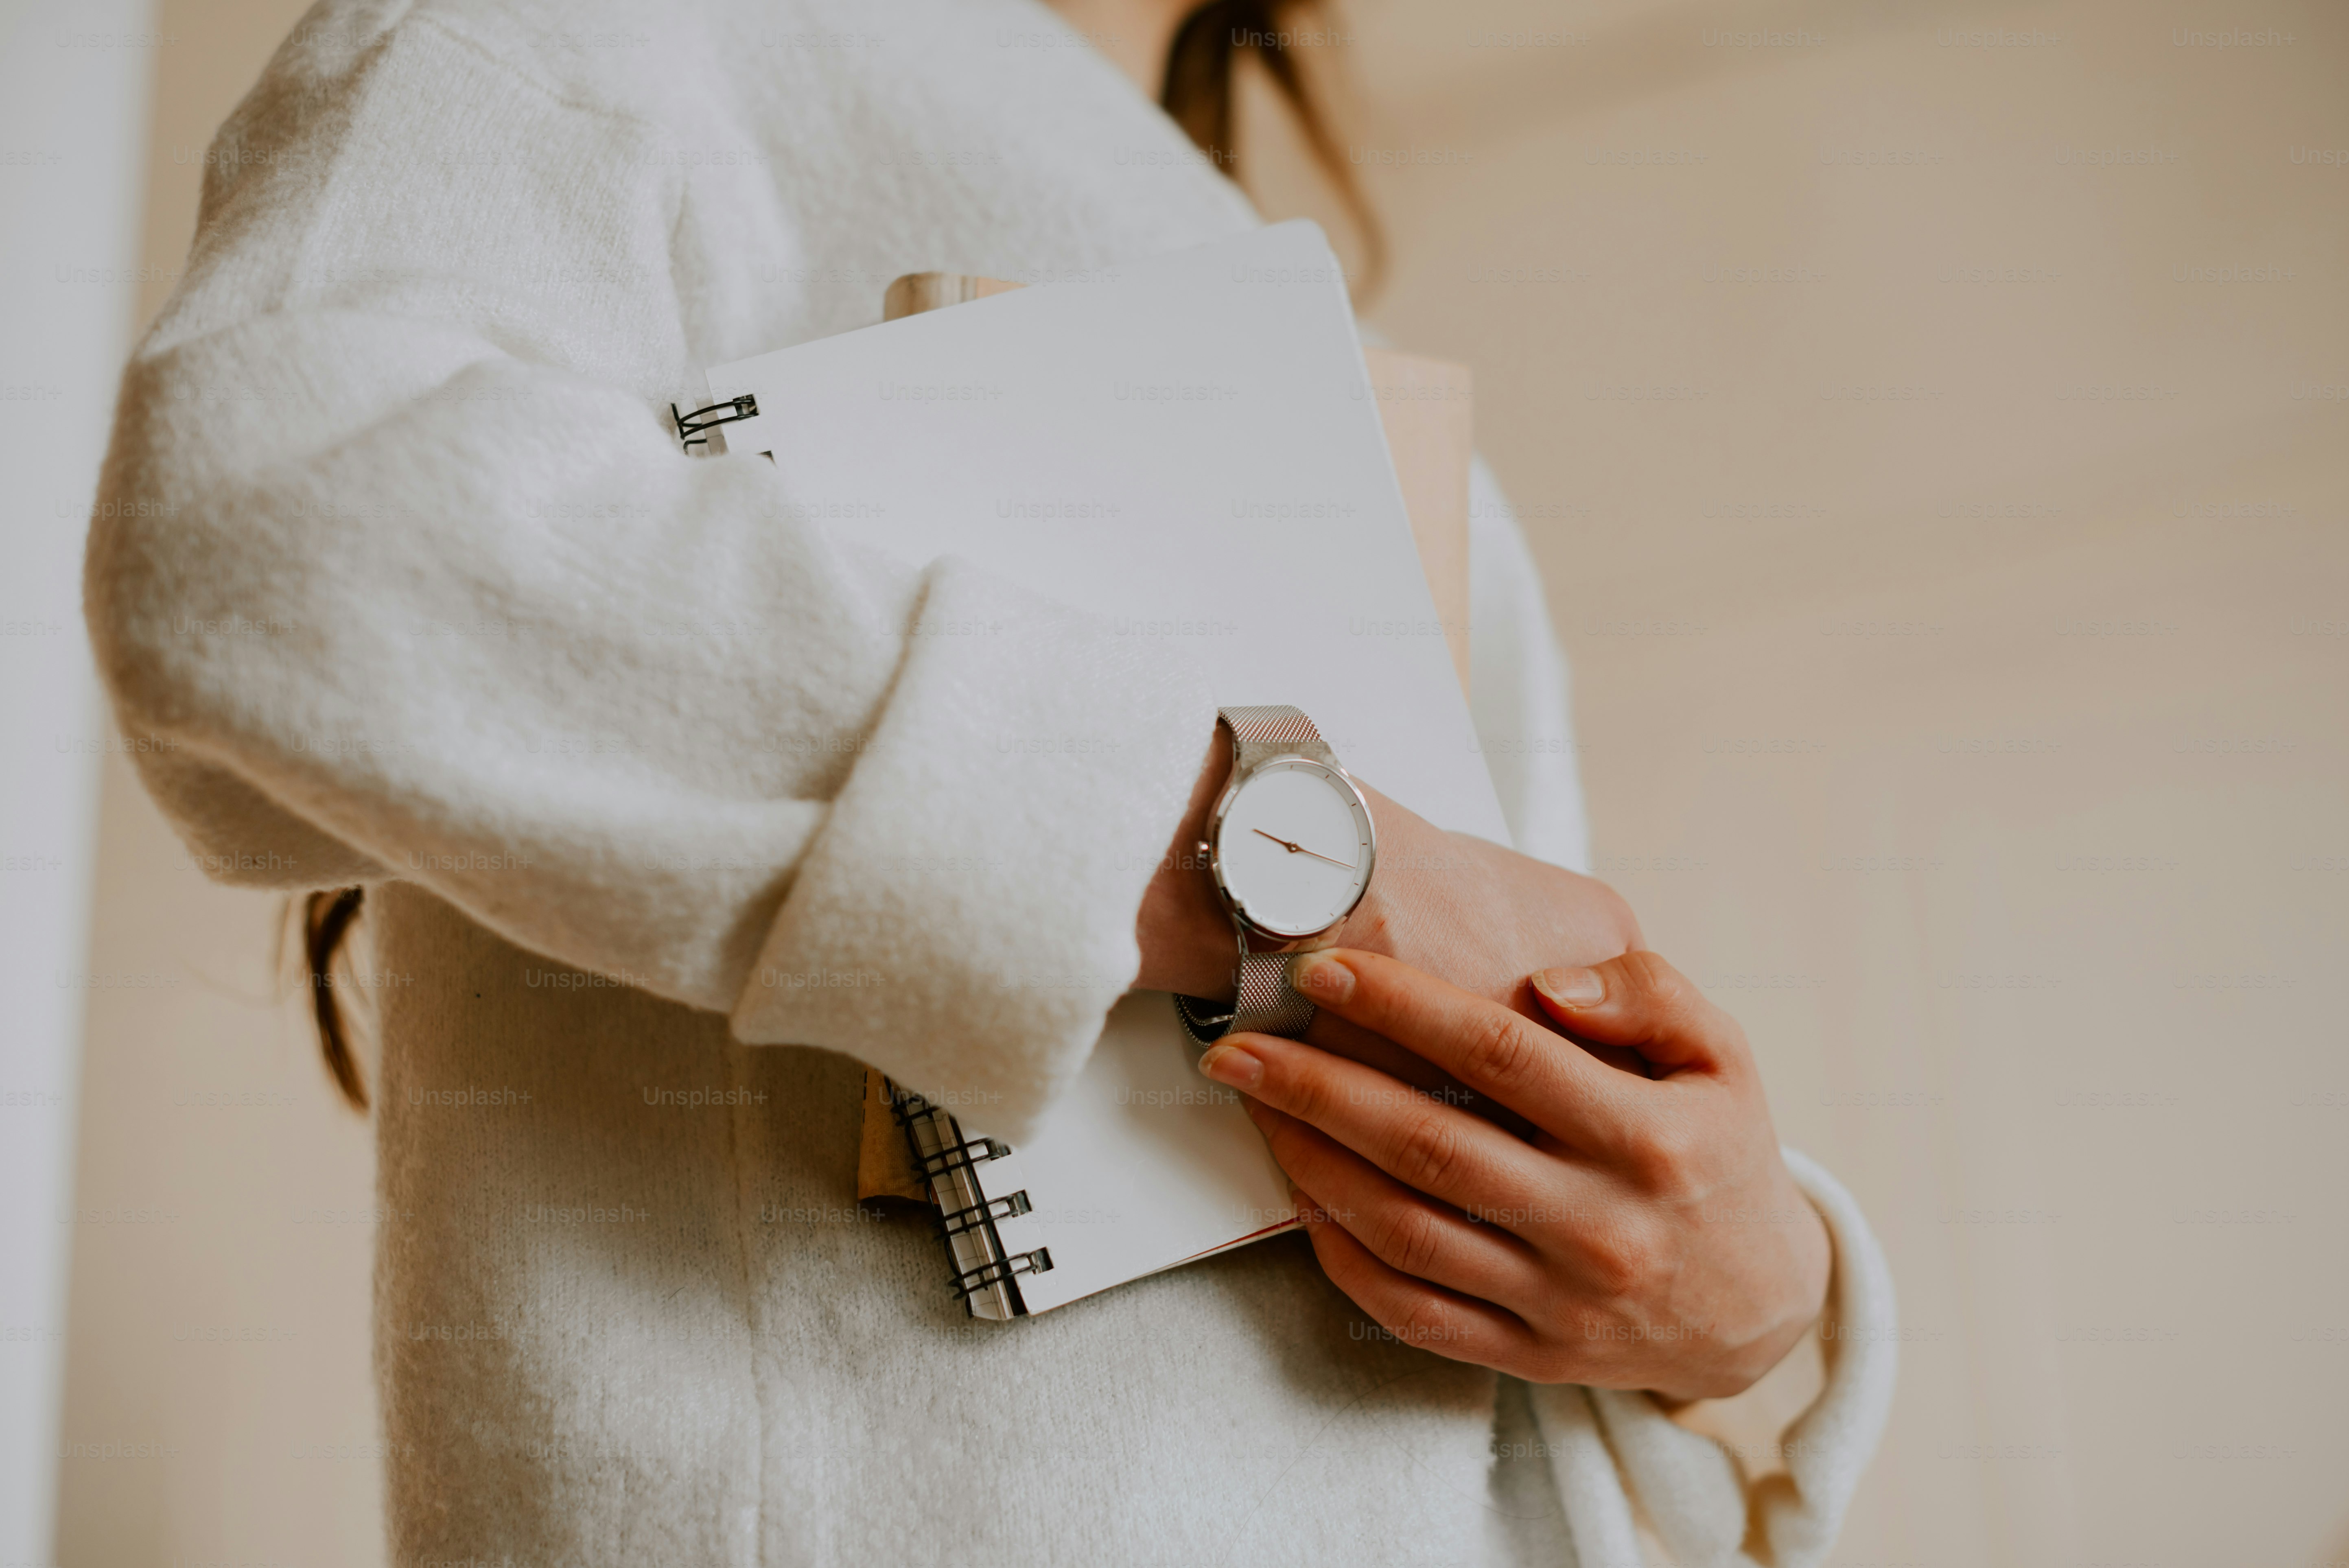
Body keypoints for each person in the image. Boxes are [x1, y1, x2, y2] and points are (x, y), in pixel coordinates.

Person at [83, 0, 1894, 1561]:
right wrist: (1271, 860)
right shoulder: (619, 34)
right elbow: (263, 523)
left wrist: (1750, 1295)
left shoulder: (1265, 284)